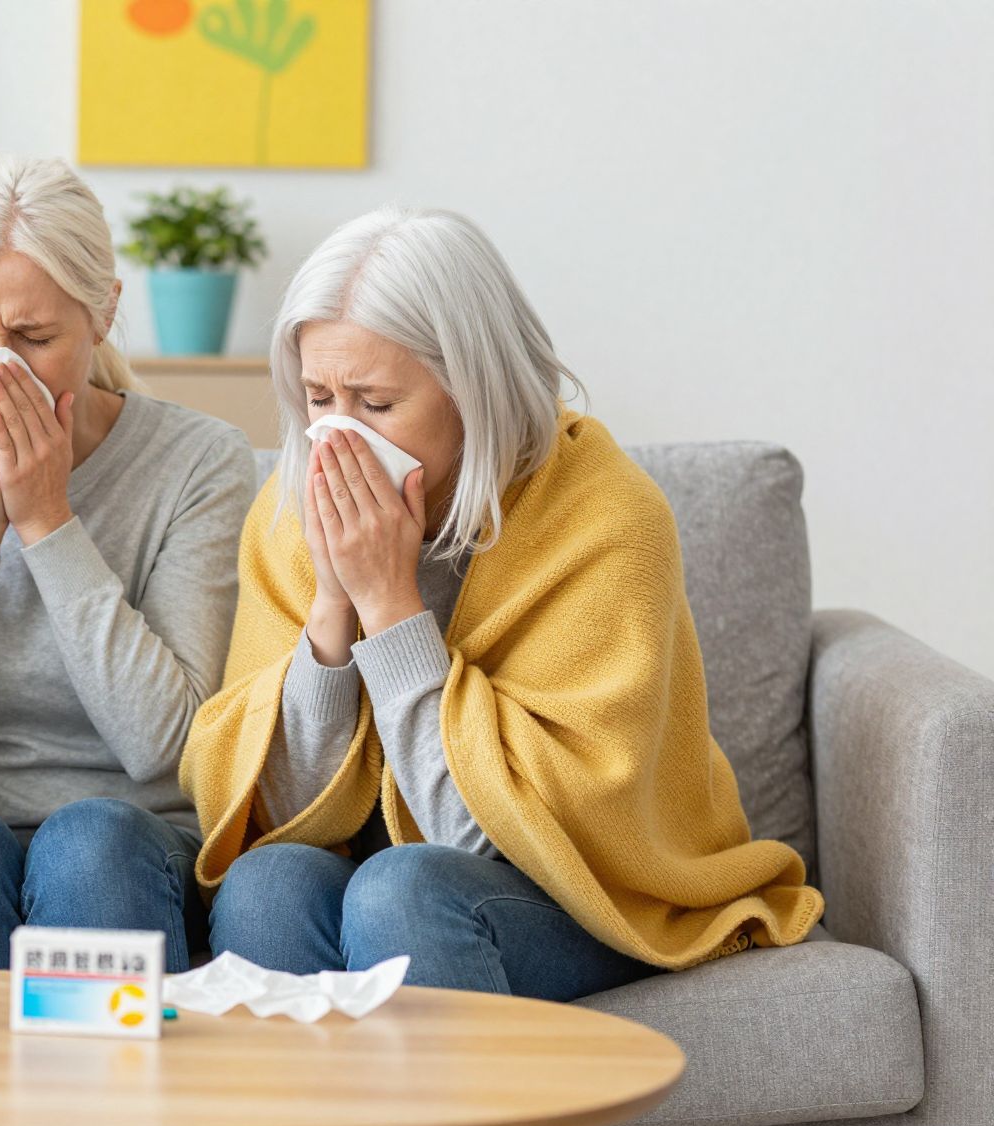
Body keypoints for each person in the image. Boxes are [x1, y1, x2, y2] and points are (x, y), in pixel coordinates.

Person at [183, 206, 821, 1000]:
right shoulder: (289, 512)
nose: (337, 439)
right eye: (318, 399)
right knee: (266, 885)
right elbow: (276, 812)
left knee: (405, 891)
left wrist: (390, 606)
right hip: (392, 880)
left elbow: (482, 841)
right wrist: (331, 613)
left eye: (376, 404)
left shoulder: (608, 518)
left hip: (582, 893)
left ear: (475, 388)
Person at [0, 154, 256, 972]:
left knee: (92, 840)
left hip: (134, 838)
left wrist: (48, 519)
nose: (1, 368)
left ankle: (107, 1101)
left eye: (34, 337)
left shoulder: (201, 462)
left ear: (103, 315)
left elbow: (167, 745)